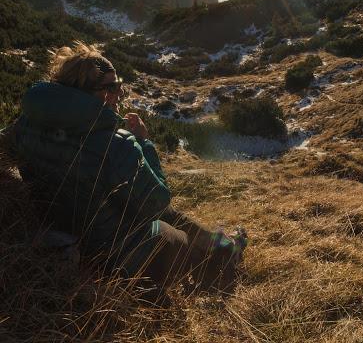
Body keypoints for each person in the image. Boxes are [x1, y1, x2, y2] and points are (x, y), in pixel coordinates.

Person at [2, 41, 247, 299]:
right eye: (112, 87)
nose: (119, 94)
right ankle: (220, 266)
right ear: (85, 92)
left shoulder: (26, 125)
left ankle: (224, 246)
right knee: (170, 230)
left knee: (171, 216)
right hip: (117, 260)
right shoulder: (116, 144)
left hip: (63, 237)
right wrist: (143, 142)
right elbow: (158, 200)